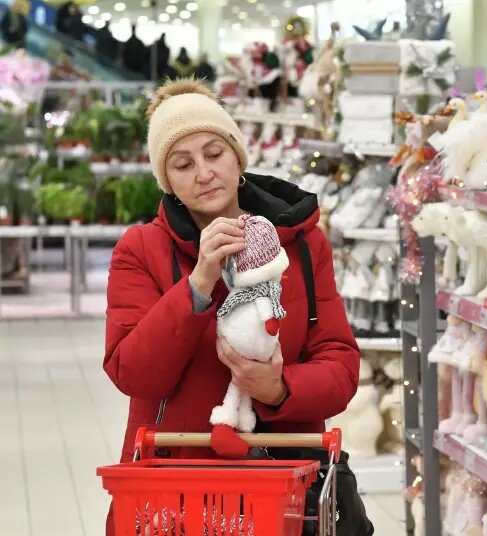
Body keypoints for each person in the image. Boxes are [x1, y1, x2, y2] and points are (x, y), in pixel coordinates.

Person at [103, 78, 372, 535]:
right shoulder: (140, 251)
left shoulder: (302, 244)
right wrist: (198, 284)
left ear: (238, 156)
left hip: (283, 489)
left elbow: (341, 365)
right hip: (176, 492)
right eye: (182, 164)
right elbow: (132, 372)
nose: (204, 172)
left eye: (214, 153)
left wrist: (281, 389)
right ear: (167, 181)